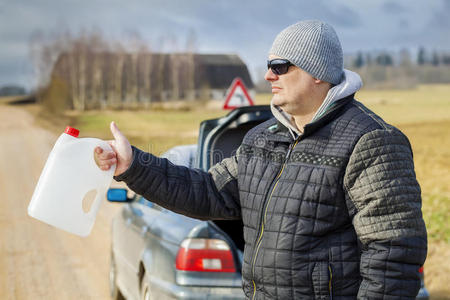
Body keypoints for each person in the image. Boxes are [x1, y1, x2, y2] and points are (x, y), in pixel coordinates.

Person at [95, 20, 427, 299]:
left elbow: (392, 255)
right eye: (269, 66)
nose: (268, 76)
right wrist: (133, 166)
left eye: (280, 66)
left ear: (317, 73)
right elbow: (209, 190)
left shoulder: (372, 141)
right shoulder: (262, 138)